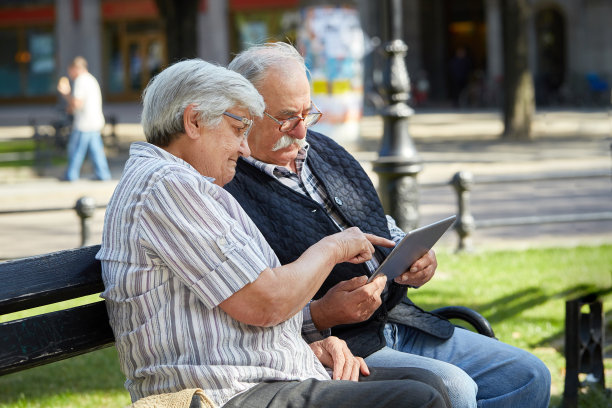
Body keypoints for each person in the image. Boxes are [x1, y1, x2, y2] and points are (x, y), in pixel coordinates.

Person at [97, 58, 452, 408]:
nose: (245, 148)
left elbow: (244, 302)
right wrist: (334, 248)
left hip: (262, 377)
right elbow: (267, 302)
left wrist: (310, 343)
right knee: (418, 399)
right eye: (238, 130)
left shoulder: (188, 186)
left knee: (428, 385)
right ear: (193, 121)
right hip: (224, 392)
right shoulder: (167, 185)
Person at [225, 42, 552, 408]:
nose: (301, 132)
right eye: (286, 117)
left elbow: (378, 222)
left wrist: (414, 254)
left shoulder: (325, 151)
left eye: (309, 113)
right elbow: (246, 309)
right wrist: (319, 315)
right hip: (339, 345)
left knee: (529, 375)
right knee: (454, 391)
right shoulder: (227, 183)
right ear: (245, 112)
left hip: (402, 320)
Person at [57, 56, 111, 181]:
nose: (69, 74)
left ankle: (71, 175)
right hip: (94, 121)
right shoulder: (91, 79)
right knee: (96, 151)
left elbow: (77, 103)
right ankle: (103, 174)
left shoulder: (81, 81)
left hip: (84, 123)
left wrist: (66, 94)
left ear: (76, 68)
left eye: (70, 70)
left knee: (76, 149)